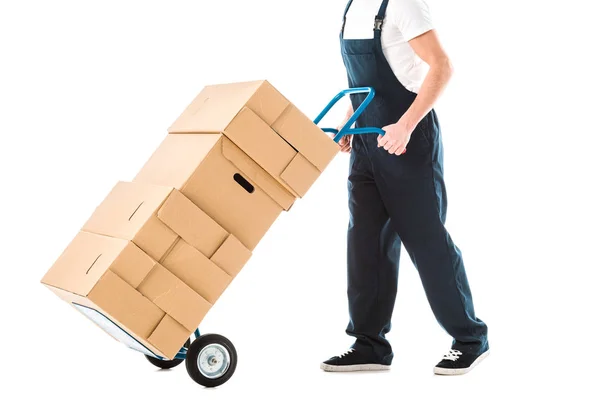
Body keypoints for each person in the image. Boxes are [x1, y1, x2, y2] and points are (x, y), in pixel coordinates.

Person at [321, 0, 489, 376]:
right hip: (367, 141)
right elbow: (362, 82)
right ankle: (370, 344)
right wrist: (349, 118)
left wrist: (408, 124)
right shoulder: (352, 7)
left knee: (426, 239)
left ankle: (470, 339)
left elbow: (441, 67)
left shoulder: (402, 3)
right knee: (365, 242)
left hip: (408, 139)